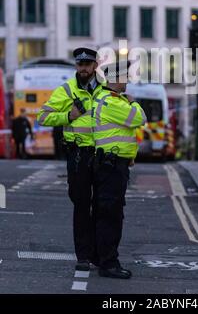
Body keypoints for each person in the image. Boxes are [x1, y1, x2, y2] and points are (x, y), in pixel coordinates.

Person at [37, 47, 102, 271]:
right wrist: (68, 116)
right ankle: (83, 256)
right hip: (78, 156)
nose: (83, 68)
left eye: (87, 64)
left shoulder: (106, 90)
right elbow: (42, 116)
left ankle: (101, 255)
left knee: (104, 206)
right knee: (81, 205)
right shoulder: (66, 90)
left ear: (95, 66)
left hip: (103, 155)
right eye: (79, 64)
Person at [92, 60, 146, 279]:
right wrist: (134, 103)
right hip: (111, 167)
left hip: (111, 165)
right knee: (111, 216)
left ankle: (101, 257)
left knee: (104, 213)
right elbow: (139, 118)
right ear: (114, 80)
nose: (127, 81)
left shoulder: (108, 99)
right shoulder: (112, 101)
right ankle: (109, 263)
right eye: (124, 77)